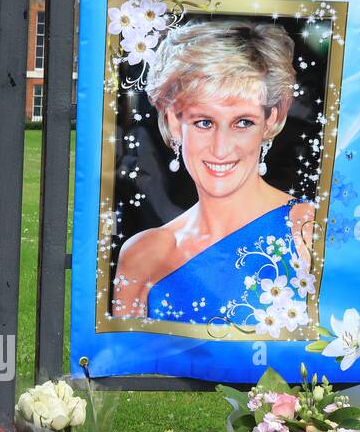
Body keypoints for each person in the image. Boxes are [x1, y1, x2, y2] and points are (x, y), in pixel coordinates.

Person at [112, 20, 315, 323]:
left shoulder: (311, 231)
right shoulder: (143, 255)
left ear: (271, 120)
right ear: (173, 122)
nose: (221, 149)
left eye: (242, 122)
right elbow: (126, 368)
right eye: (204, 122)